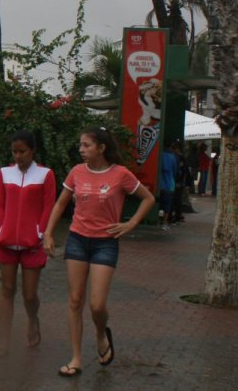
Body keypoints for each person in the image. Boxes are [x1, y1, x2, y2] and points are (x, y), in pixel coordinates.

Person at [43, 127, 156, 377]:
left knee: (97, 304)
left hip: (105, 243)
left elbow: (148, 198)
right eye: (80, 145)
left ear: (101, 148)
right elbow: (61, 203)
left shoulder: (120, 174)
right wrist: (48, 233)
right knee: (75, 300)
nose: (81, 150)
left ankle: (101, 332)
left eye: (86, 145)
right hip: (77, 240)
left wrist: (130, 223)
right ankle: (76, 358)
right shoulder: (77, 171)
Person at [0, 130, 56, 357]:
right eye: (14, 152)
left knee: (29, 295)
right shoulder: (4, 173)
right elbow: (0, 205)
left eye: (22, 151)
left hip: (33, 244)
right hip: (6, 242)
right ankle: (3, 340)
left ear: (32, 150)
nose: (18, 156)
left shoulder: (45, 174)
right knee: (7, 289)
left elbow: (48, 206)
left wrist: (41, 232)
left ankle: (32, 320)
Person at [157, 140, 181, 230]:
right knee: (167, 205)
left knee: (160, 204)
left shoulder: (160, 155)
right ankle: (164, 222)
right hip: (169, 185)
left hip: (159, 184)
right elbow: (175, 171)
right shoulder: (173, 157)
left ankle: (159, 220)